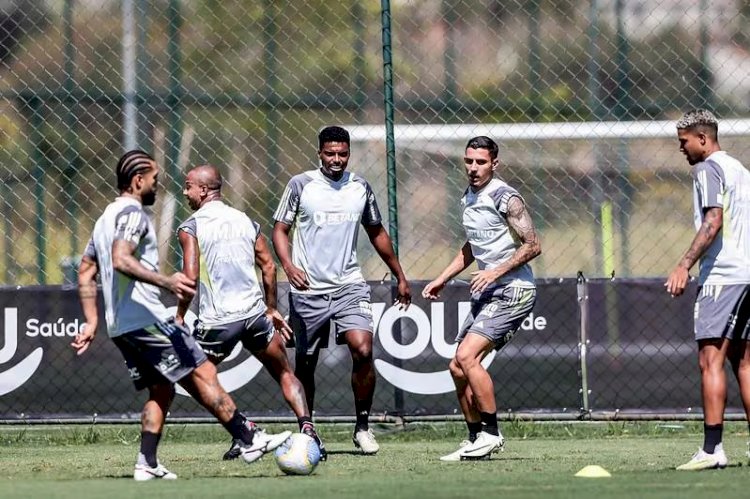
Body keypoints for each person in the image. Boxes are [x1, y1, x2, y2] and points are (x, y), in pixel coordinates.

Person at [72, 150, 290, 481]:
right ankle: (249, 439)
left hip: (122, 327)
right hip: (147, 320)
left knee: (162, 389)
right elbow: (120, 258)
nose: (158, 186)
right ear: (138, 180)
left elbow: (86, 270)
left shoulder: (105, 218)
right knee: (202, 369)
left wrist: (92, 320)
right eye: (155, 180)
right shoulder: (133, 214)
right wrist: (166, 281)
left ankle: (147, 462)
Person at [272, 125, 411, 454]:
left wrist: (399, 275)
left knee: (363, 350)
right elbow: (280, 230)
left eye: (343, 154)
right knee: (305, 364)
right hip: (308, 291)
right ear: (319, 153)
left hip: (350, 285)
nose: (337, 160)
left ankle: (362, 426)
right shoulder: (300, 185)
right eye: (330, 153)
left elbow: (376, 231)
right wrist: (289, 267)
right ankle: (307, 429)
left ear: (349, 153)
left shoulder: (360, 187)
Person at [175, 164, 325, 460]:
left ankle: (245, 431)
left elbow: (189, 279)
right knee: (284, 372)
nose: (185, 191)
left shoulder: (190, 226)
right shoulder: (245, 220)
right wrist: (271, 309)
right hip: (255, 316)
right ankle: (308, 430)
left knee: (192, 377)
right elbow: (268, 266)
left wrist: (179, 316)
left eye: (188, 185)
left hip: (218, 322)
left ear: (204, 190)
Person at [422, 136, 541, 462]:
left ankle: (492, 433)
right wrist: (442, 278)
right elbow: (473, 248)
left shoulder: (506, 197)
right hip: (488, 291)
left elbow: (533, 245)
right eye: (469, 161)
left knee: (467, 356)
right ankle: (475, 437)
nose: (473, 168)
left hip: (515, 290)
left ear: (494, 164)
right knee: (457, 367)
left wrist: (495, 272)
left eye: (481, 162)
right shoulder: (468, 197)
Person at [666, 109, 750, 471]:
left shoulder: (707, 169)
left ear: (703, 139)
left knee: (709, 360)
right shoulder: (740, 170)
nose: (681, 149)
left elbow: (713, 221)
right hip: (746, 276)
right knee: (744, 363)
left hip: (723, 277)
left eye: (684, 142)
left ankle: (713, 449)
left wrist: (683, 264)